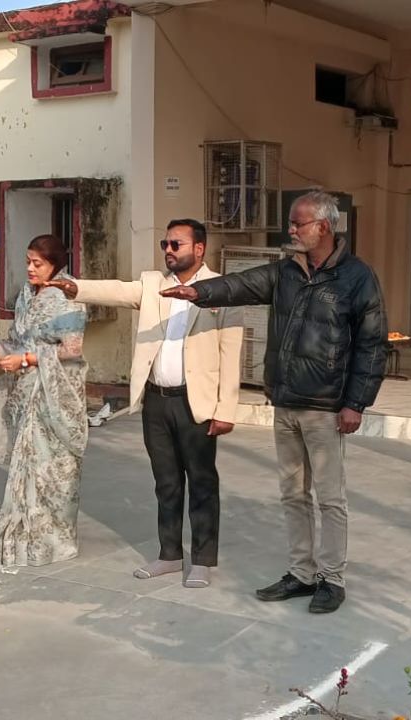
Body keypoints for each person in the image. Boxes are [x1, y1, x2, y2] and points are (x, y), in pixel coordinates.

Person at [160, 191, 386, 614]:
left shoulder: (357, 277)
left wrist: (356, 402)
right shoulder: (286, 272)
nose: (291, 230)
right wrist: (198, 292)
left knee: (330, 498)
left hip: (326, 406)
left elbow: (372, 345)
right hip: (285, 401)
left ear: (323, 227)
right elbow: (242, 284)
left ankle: (331, 580)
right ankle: (301, 573)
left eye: (298, 223)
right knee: (292, 495)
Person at [45, 219, 243, 589]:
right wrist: (76, 288)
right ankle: (169, 555)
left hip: (196, 405)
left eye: (176, 244)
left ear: (198, 249)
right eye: (165, 244)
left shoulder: (222, 290)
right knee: (166, 482)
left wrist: (225, 410)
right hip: (156, 401)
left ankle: (202, 560)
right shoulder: (154, 285)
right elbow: (118, 290)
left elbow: (231, 354)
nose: (168, 250)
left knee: (201, 483)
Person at [0, 235, 88, 567]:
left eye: (38, 263)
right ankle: (22, 540)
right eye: (28, 261)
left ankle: (55, 542)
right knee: (24, 466)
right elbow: (17, 340)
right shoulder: (26, 296)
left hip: (55, 393)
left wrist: (28, 359)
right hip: (27, 391)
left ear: (55, 264)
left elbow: (72, 350)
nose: (30, 268)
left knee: (54, 471)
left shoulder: (68, 296)